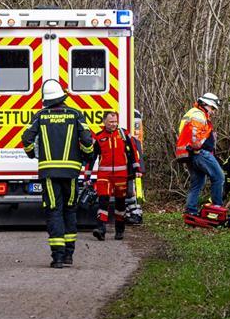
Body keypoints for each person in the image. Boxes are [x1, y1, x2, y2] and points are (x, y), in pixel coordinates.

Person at [22, 79, 94, 268]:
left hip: (48, 173)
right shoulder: (76, 115)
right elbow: (87, 141)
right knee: (70, 210)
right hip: (71, 173)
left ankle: (58, 258)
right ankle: (69, 255)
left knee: (54, 211)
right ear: (62, 97)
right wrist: (88, 157)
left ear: (46, 99)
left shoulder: (40, 116)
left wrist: (31, 154)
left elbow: (27, 139)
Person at [88, 112, 142, 241]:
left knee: (120, 204)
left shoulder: (124, 135)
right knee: (103, 201)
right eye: (111, 122)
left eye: (115, 121)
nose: (113, 124)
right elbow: (92, 158)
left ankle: (119, 230)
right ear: (104, 122)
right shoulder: (99, 137)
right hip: (104, 175)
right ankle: (101, 229)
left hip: (121, 175)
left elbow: (133, 152)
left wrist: (137, 169)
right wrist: (87, 176)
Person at [174, 92, 224, 216]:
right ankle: (217, 210)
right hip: (199, 153)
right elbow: (195, 136)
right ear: (206, 104)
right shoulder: (198, 115)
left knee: (197, 183)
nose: (213, 112)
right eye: (212, 108)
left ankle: (190, 211)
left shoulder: (191, 113)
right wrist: (199, 146)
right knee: (219, 177)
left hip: (190, 155)